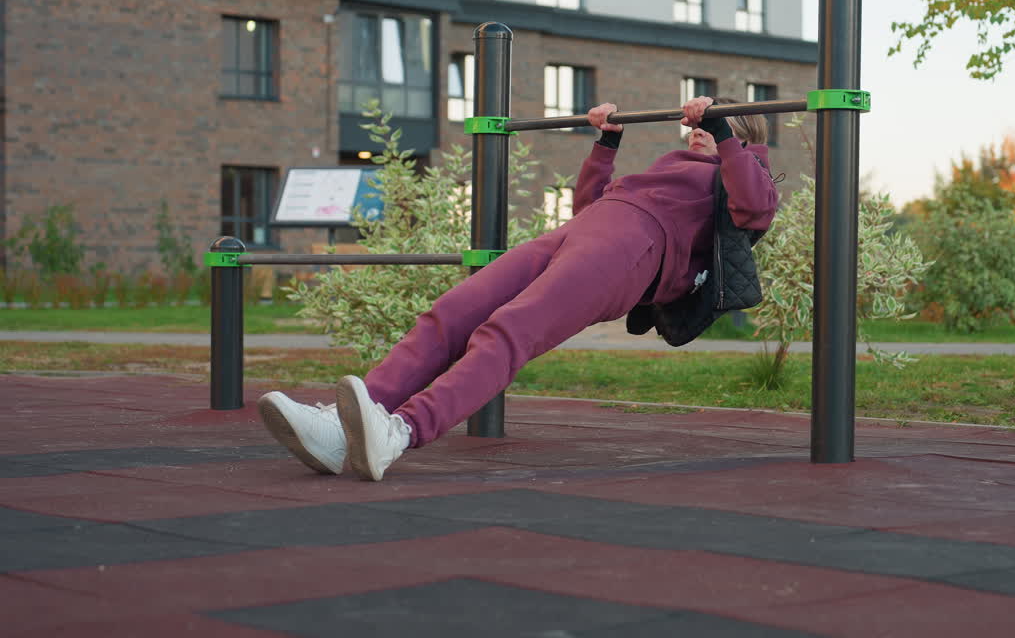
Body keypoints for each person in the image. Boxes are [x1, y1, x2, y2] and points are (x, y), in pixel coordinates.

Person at [257, 96, 778, 480]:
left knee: (511, 328)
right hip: (584, 230)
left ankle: (402, 430)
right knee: (455, 310)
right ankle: (340, 428)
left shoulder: (746, 171)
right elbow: (589, 204)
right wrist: (607, 143)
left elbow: (755, 208)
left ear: (745, 136)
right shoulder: (675, 166)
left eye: (715, 125)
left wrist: (727, 138)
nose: (699, 131)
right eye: (702, 125)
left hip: (631, 251)